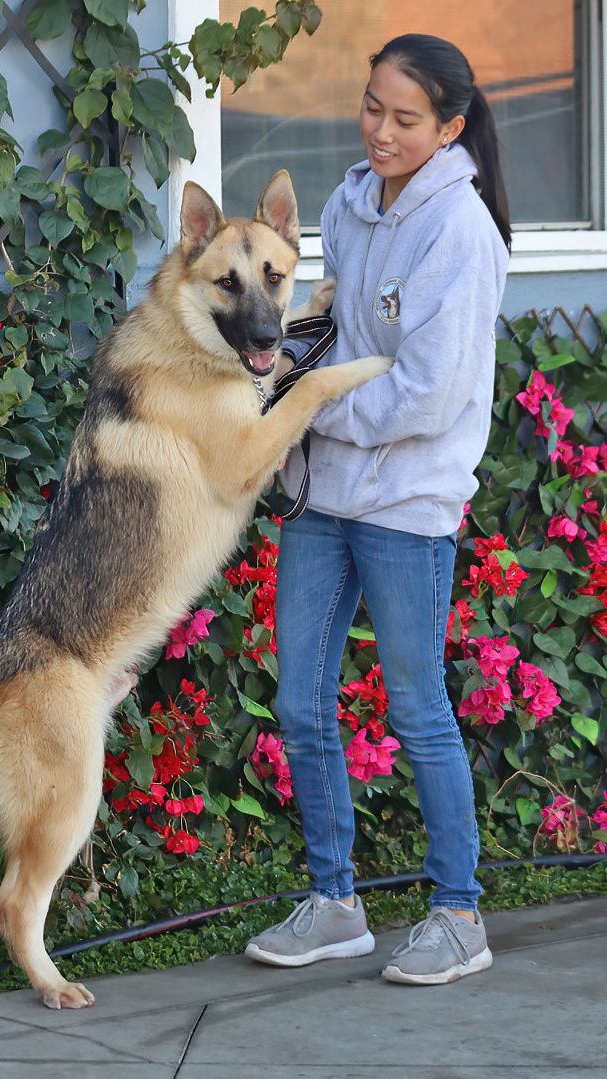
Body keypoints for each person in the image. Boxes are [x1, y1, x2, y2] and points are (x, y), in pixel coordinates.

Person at [245, 34, 511, 985]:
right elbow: (342, 330)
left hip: (408, 502)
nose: (383, 131)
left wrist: (305, 412)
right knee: (301, 703)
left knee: (418, 709)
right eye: (371, 108)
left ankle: (458, 912)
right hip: (323, 493)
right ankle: (335, 903)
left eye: (406, 118)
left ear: (449, 126)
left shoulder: (461, 233)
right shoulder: (350, 204)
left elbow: (429, 394)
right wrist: (275, 368)